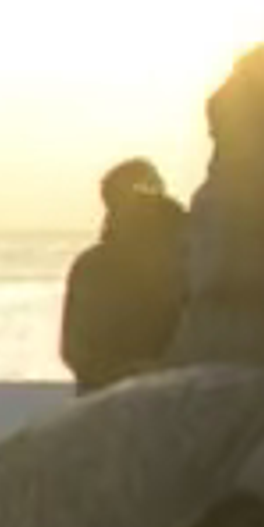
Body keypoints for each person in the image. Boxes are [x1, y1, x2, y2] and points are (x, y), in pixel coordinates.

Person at [59, 155, 189, 391]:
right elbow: (77, 353)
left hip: (161, 398)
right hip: (143, 399)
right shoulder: (94, 266)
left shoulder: (187, 254)